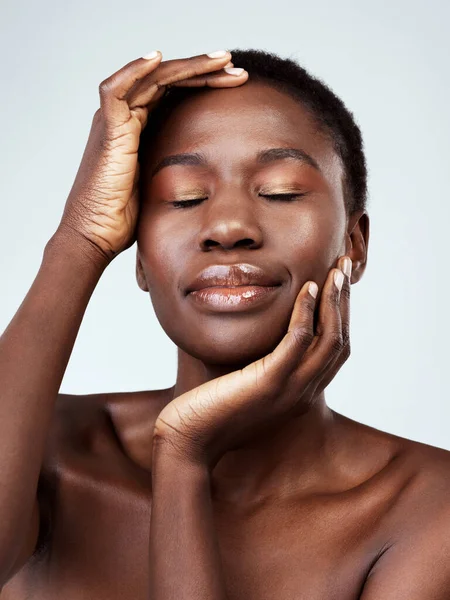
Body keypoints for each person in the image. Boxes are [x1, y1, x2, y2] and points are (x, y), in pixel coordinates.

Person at [0, 47, 449, 600]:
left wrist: (184, 457)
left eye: (280, 191)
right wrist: (81, 238)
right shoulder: (40, 447)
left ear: (354, 243)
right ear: (138, 258)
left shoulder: (429, 508)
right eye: (183, 198)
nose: (229, 226)